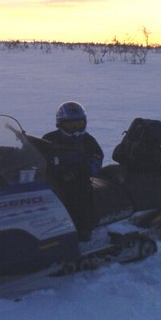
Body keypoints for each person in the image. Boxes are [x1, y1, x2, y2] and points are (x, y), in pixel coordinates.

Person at [43, 101, 103, 241]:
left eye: (79, 124)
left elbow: (96, 160)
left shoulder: (88, 141)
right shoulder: (50, 139)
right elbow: (36, 152)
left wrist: (78, 171)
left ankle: (83, 230)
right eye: (71, 125)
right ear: (60, 124)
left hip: (77, 181)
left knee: (79, 194)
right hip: (52, 179)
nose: (76, 129)